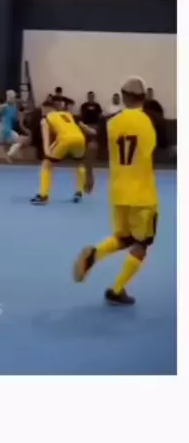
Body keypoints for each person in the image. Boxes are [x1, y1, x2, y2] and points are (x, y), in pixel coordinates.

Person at [73, 77, 162, 306]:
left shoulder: (109, 121)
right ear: (144, 97)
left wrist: (89, 175)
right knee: (142, 244)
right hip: (143, 194)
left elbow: (92, 146)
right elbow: (168, 148)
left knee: (124, 237)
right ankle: (117, 290)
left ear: (122, 96)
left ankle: (95, 254)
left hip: (118, 192)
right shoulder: (153, 119)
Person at [31, 95, 95, 205]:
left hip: (65, 139)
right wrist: (92, 132)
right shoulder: (67, 114)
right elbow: (85, 128)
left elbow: (46, 138)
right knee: (79, 163)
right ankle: (79, 192)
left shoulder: (45, 119)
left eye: (43, 109)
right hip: (80, 139)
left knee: (46, 164)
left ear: (47, 109)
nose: (42, 112)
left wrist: (47, 154)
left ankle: (43, 195)